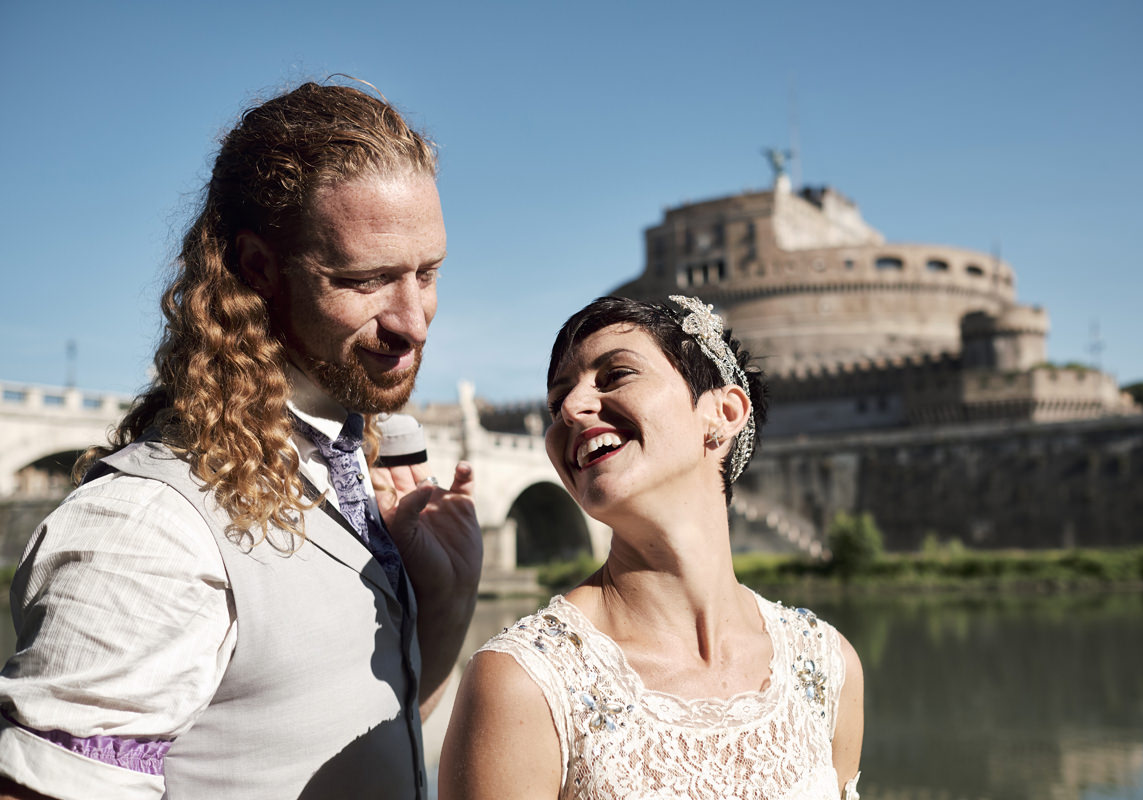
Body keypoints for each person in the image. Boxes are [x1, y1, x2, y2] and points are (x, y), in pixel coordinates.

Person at [0, 80, 482, 800]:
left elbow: (348, 739)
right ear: (257, 268)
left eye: (427, 272)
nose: (413, 321)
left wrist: (443, 605)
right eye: (367, 280)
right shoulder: (145, 528)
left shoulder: (345, 466)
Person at [440, 296, 863, 799]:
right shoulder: (521, 684)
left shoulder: (825, 667)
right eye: (557, 403)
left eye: (615, 374)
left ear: (723, 413)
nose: (571, 409)